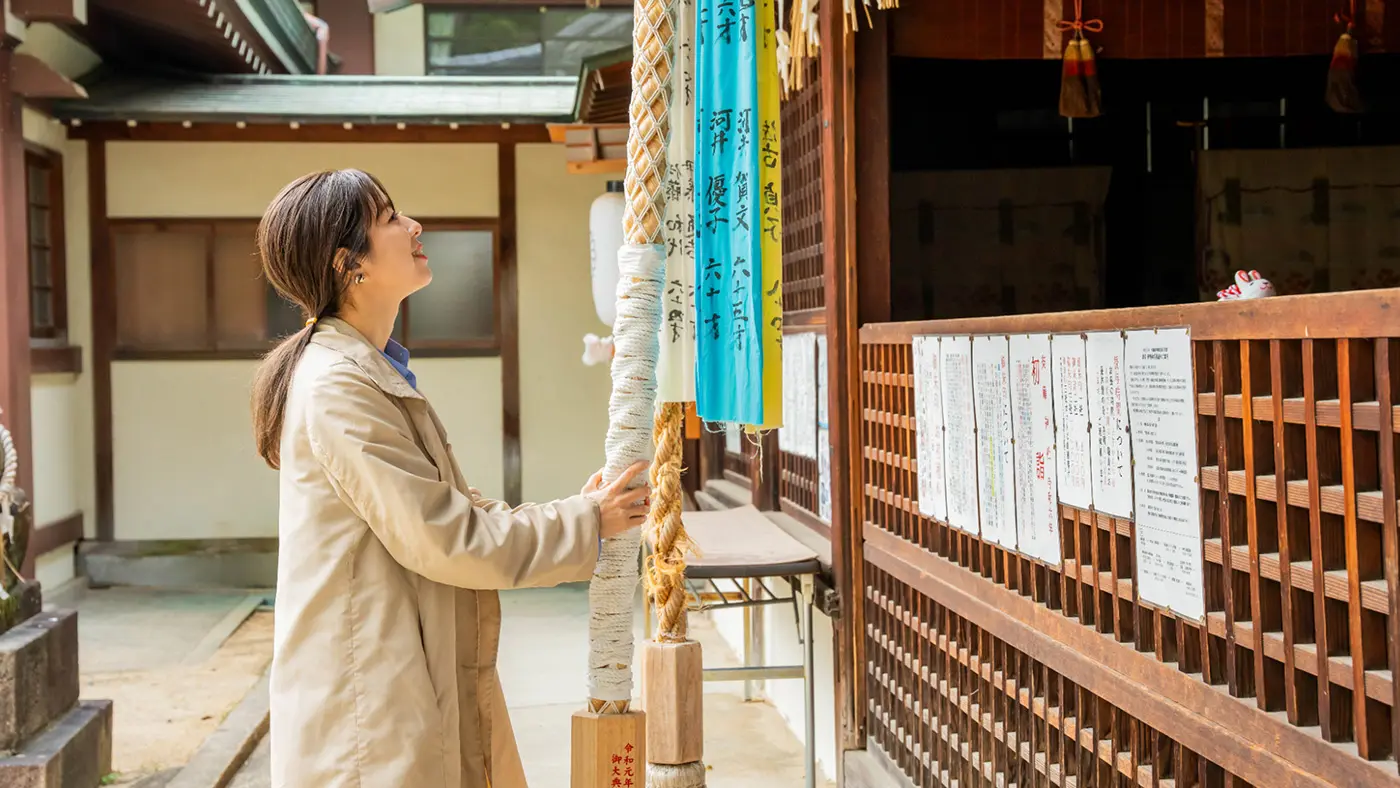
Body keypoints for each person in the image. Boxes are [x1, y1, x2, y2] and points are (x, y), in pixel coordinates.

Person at [249, 168, 648, 788]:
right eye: (388, 218)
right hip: (371, 710)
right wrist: (586, 522)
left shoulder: (368, 372)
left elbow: (456, 510)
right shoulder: (339, 387)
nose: (413, 226)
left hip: (400, 679)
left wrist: (581, 510)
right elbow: (445, 536)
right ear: (347, 263)